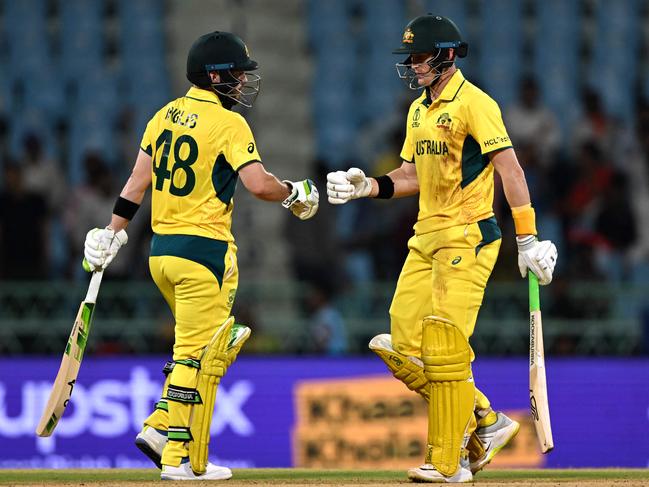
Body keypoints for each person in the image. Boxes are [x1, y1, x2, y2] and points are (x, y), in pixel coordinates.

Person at [327, 14, 557, 483]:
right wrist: (366, 186)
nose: (412, 65)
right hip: (425, 237)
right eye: (409, 57)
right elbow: (410, 174)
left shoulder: (476, 104)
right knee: (402, 345)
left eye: (419, 57)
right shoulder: (418, 110)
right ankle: (486, 421)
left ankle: (448, 463)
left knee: (445, 348)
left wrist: (528, 236)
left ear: (446, 56)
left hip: (468, 236)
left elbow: (510, 170)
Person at [83, 31, 319, 481]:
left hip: (161, 256)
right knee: (198, 357)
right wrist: (294, 192)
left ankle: (158, 427)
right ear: (214, 75)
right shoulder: (229, 124)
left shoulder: (163, 115)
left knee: (193, 348)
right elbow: (258, 185)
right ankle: (181, 461)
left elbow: (135, 186)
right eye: (236, 74)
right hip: (203, 253)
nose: (242, 82)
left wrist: (111, 234)